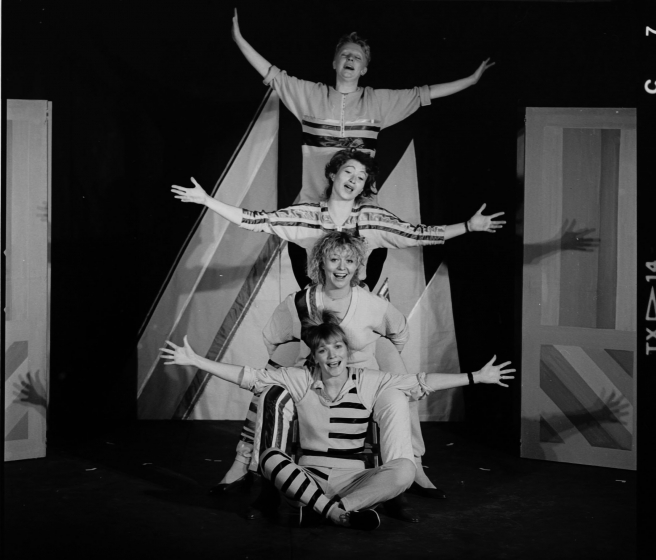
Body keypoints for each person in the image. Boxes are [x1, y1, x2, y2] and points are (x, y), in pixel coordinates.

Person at [160, 314, 515, 530]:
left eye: (338, 348)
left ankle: (330, 512)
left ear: (347, 351)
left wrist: (475, 377)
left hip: (355, 480)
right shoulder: (300, 378)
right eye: (323, 350)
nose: (332, 356)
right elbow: (248, 376)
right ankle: (340, 514)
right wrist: (197, 361)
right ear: (314, 357)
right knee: (268, 457)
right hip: (308, 478)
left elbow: (422, 382)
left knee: (405, 469)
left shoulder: (370, 380)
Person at [231, 9, 495, 283]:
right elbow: (272, 73)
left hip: (362, 214)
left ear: (364, 69)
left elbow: (424, 94)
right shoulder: (308, 95)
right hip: (314, 211)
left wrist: (471, 80)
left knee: (358, 292)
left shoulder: (378, 102)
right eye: (345, 54)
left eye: (357, 57)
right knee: (313, 295)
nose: (350, 59)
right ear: (334, 62)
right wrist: (239, 39)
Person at [232, 231, 424, 522]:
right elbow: (273, 337)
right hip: (312, 380)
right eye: (334, 259)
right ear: (321, 262)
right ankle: (268, 490)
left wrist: (374, 357)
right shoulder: (300, 302)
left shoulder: (371, 303)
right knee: (272, 395)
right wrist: (302, 364)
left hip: (361, 382)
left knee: (397, 399)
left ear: (358, 265)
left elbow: (399, 333)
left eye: (350, 260)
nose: (342, 267)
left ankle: (394, 492)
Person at [171, 148, 505, 289]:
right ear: (333, 174)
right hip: (318, 307)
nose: (354, 180)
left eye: (361, 177)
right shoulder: (306, 216)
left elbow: (419, 234)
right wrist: (208, 201)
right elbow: (256, 219)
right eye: (349, 171)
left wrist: (468, 226)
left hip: (359, 307)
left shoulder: (373, 219)